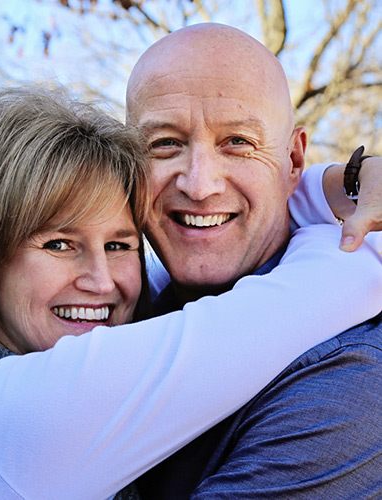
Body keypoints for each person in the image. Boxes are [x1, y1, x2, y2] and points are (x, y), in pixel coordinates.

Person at [0, 85, 380, 500]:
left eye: (119, 245)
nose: (103, 282)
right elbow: (296, 304)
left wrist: (332, 186)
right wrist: (364, 222)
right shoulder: (17, 413)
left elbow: (186, 270)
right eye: (59, 244)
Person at [125, 23, 382, 499]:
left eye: (238, 142)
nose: (199, 185)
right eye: (164, 143)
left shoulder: (349, 382)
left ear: (293, 163)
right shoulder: (113, 306)